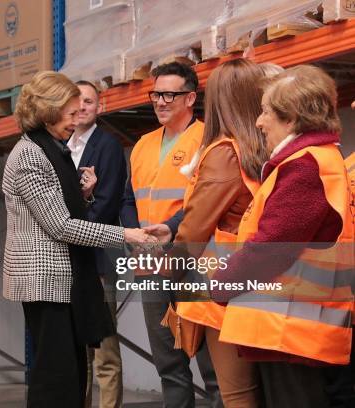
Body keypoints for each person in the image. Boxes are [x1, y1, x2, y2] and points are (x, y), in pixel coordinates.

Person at [2, 70, 152, 408]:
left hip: (63, 279)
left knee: (71, 373)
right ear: (49, 110)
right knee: (56, 377)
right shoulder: (30, 155)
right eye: (70, 113)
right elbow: (61, 227)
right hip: (46, 281)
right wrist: (124, 233)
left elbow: (58, 208)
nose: (76, 119)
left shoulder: (51, 148)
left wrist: (83, 195)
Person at [211, 65, 354, 408]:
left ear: (291, 120)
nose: (259, 122)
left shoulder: (303, 167)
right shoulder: (318, 160)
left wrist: (221, 283)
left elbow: (272, 248)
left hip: (290, 332)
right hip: (298, 328)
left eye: (265, 112)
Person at [164, 59, 267, 407]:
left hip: (222, 287)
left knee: (235, 393)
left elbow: (195, 226)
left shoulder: (224, 153)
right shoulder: (259, 148)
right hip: (258, 280)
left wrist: (171, 274)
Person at [120, 62, 221, 408]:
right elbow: (127, 198)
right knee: (169, 364)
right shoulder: (142, 146)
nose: (160, 101)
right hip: (150, 264)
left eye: (169, 94)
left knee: (213, 368)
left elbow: (204, 204)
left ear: (190, 97)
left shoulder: (208, 140)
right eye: (155, 94)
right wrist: (135, 235)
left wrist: (171, 231)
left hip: (192, 264)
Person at [67, 80, 126, 408]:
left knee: (104, 350)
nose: (83, 107)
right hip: (72, 262)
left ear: (99, 108)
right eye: (78, 101)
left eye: (89, 101)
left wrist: (69, 227)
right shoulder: (65, 146)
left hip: (98, 259)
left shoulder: (108, 146)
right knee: (80, 350)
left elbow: (106, 204)